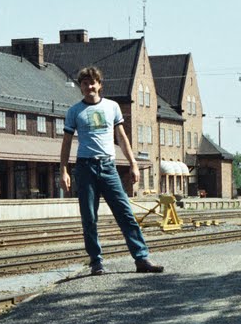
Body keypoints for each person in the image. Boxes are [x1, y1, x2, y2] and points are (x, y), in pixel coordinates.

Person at [60, 66, 163, 275]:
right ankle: (96, 262)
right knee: (89, 217)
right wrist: (64, 170)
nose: (89, 86)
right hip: (85, 167)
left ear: (99, 84)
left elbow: (122, 138)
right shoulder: (74, 112)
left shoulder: (112, 107)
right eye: (85, 83)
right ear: (81, 87)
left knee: (125, 213)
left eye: (92, 82)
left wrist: (133, 163)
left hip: (108, 166)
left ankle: (141, 258)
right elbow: (66, 142)